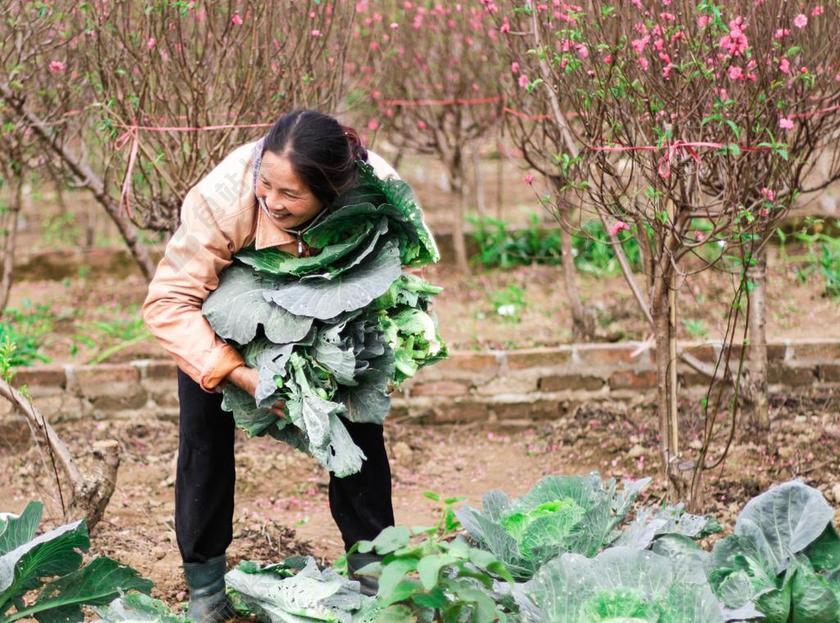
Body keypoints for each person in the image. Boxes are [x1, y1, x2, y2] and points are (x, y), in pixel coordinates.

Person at [141, 110, 400, 622]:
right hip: (223, 315)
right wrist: (240, 374)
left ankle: (376, 580)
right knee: (203, 438)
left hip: (327, 316)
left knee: (358, 432)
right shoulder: (223, 198)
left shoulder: (378, 193)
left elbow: (397, 272)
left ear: (330, 192)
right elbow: (168, 302)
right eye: (266, 185)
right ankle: (206, 588)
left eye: (291, 195)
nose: (272, 201)